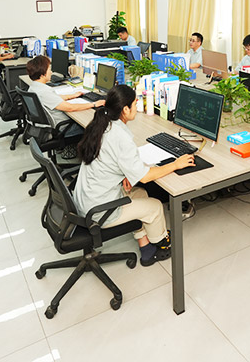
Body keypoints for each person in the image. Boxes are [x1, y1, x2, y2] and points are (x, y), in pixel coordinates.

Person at [74, 84, 195, 266]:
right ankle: (160, 243)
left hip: (86, 198)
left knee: (140, 194)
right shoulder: (120, 137)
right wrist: (175, 164)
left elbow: (108, 159)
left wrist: (124, 173)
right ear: (125, 109)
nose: (137, 107)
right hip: (98, 211)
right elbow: (145, 177)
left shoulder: (102, 124)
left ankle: (146, 249)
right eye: (135, 103)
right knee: (155, 207)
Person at [25, 55, 104, 138]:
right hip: (64, 128)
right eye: (49, 69)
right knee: (94, 126)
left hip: (52, 126)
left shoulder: (34, 87)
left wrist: (72, 96)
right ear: (42, 75)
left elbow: (54, 98)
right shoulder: (44, 92)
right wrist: (94, 104)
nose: (51, 72)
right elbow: (70, 108)